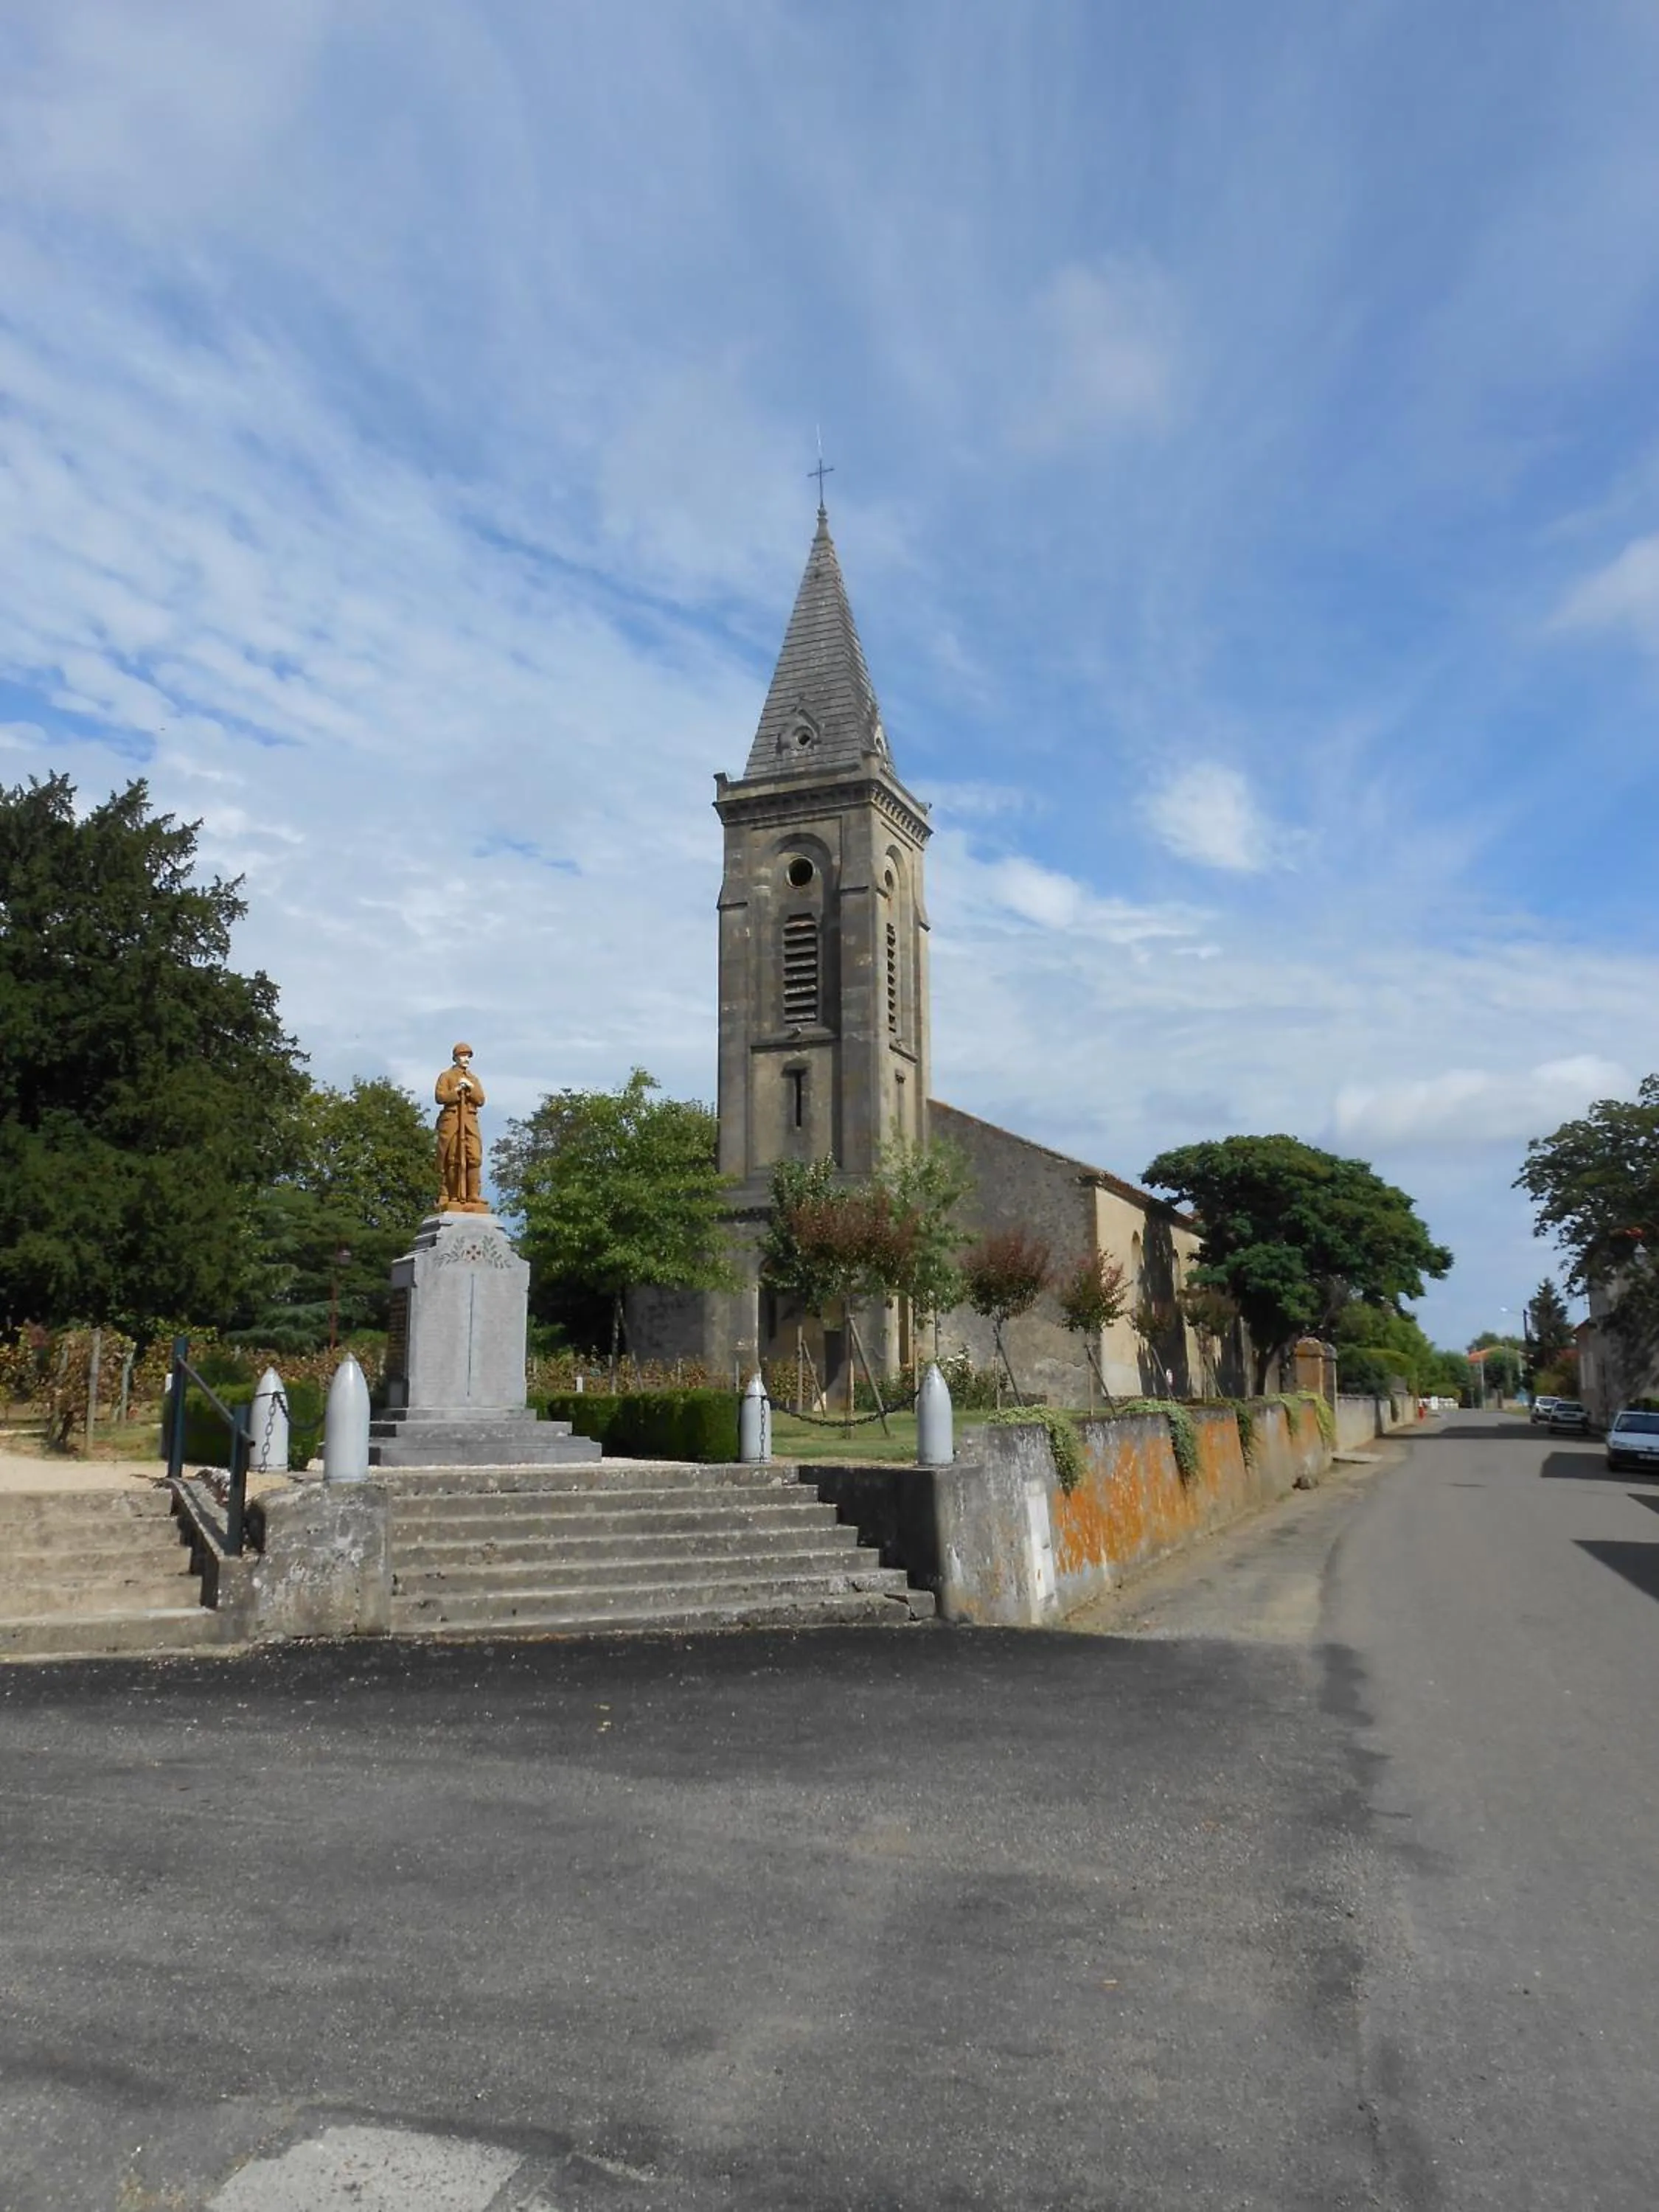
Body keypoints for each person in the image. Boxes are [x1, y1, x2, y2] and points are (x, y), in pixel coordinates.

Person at [434, 1043, 487, 1211]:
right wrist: (457, 1090)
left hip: (470, 1122)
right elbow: (440, 1097)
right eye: (463, 1056)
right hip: (452, 1121)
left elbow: (481, 1100)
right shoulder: (446, 1076)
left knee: (474, 1157)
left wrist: (470, 1088)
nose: (466, 1059)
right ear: (456, 1057)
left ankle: (473, 1194)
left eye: (468, 1056)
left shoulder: (473, 1079)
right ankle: (451, 1195)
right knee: (452, 1159)